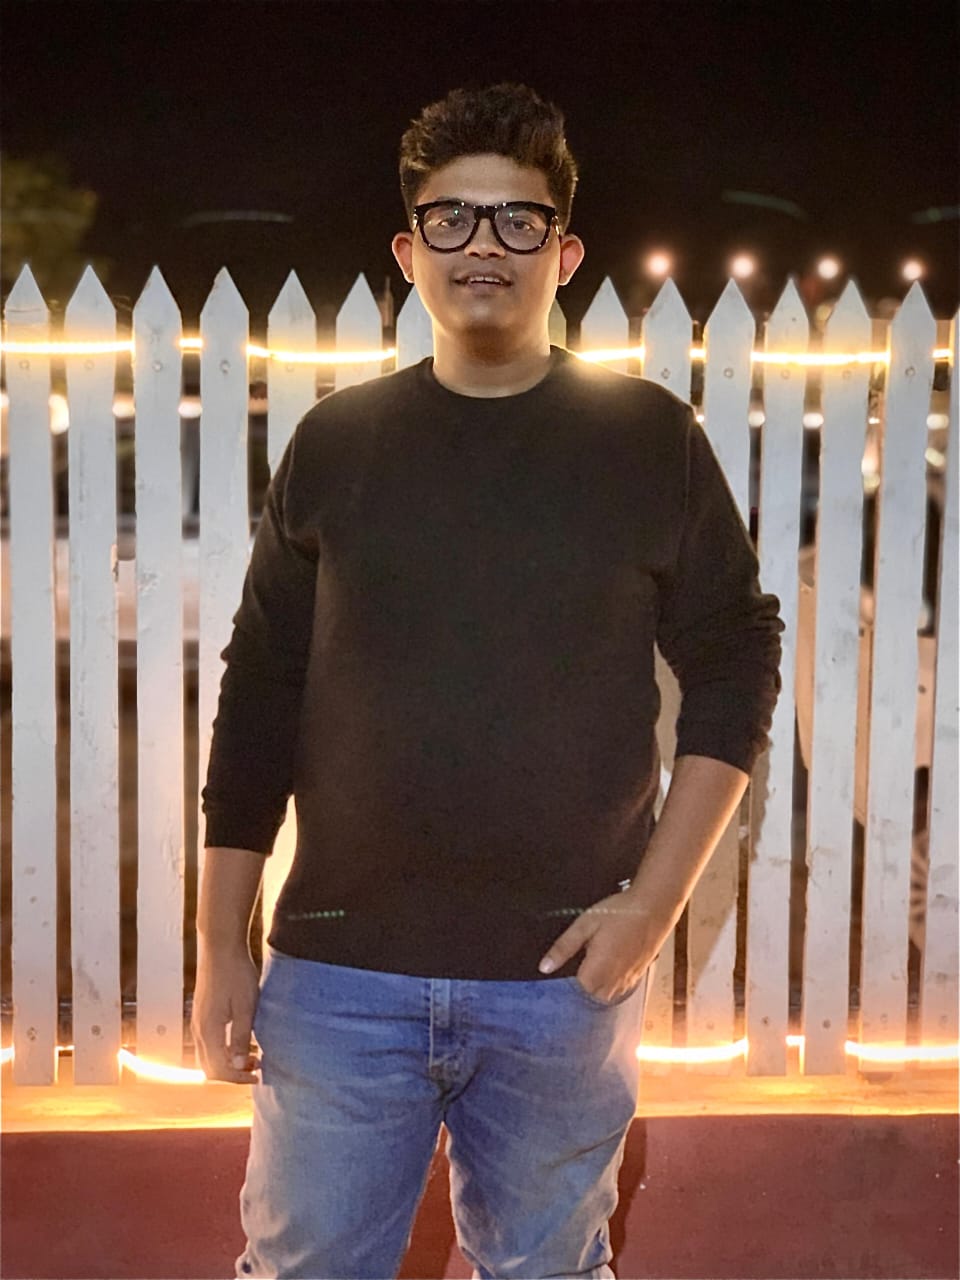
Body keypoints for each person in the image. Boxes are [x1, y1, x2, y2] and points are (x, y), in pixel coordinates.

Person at [193, 82, 783, 1280]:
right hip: (340, 974)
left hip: (560, 984)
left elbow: (736, 658)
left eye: (519, 220)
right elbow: (259, 691)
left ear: (564, 254)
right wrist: (220, 940)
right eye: (451, 217)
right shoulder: (336, 444)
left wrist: (652, 906)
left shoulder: (647, 440)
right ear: (408, 251)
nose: (484, 245)